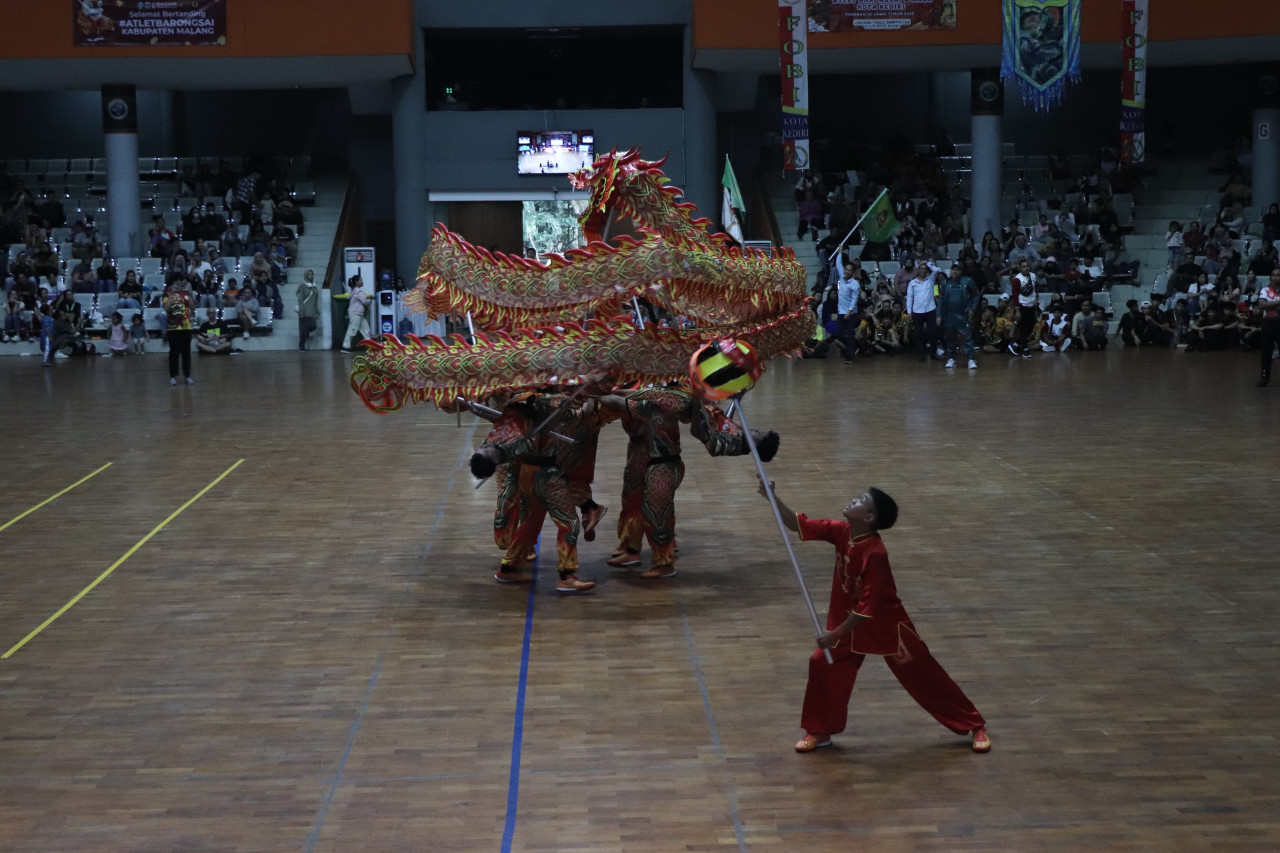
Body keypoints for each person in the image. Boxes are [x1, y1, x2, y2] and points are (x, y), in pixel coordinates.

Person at [756, 478, 990, 755]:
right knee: (822, 665)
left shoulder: (875, 553)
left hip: (886, 627)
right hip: (848, 626)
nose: (853, 500)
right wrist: (772, 497)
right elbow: (797, 524)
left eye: (860, 501)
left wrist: (833, 635)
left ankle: (975, 724)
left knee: (924, 675)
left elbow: (866, 610)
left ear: (868, 517)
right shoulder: (841, 531)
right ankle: (820, 730)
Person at [938, 264, 979, 369]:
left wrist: (972, 309)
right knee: (950, 337)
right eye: (953, 269)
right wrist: (938, 314)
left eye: (957, 270)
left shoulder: (968, 281)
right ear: (950, 271)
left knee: (967, 337)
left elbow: (976, 295)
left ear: (961, 271)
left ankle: (971, 359)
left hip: (963, 314)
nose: (955, 272)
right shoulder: (945, 283)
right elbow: (941, 300)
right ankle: (951, 358)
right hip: (949, 315)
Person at [904, 263, 939, 363]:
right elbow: (909, 297)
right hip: (917, 311)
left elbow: (936, 270)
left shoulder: (931, 279)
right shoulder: (912, 283)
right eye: (921, 268)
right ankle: (921, 354)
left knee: (933, 332)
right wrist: (909, 311)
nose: (923, 270)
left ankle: (933, 353)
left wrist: (927, 263)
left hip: (930, 309)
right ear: (918, 270)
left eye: (925, 269)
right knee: (918, 334)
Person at [163, 280, 195, 385]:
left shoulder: (186, 294)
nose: (177, 285)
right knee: (174, 353)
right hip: (173, 328)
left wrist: (190, 294)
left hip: (186, 327)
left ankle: (188, 376)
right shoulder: (166, 294)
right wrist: (172, 295)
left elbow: (192, 308)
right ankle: (173, 376)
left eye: (179, 283)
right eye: (175, 283)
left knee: (186, 353)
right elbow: (167, 308)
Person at [1255, 268, 1280, 387]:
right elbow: (1261, 305)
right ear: (1271, 277)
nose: (1276, 277)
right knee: (1266, 352)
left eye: (1278, 275)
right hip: (1268, 324)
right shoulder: (1265, 290)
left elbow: (1266, 305)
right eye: (1274, 275)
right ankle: (1265, 377)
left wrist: (1269, 306)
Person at [341, 276, 371, 352]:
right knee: (353, 329)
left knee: (365, 328)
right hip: (355, 313)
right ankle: (345, 346)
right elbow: (364, 301)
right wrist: (369, 301)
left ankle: (369, 345)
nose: (362, 282)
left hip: (358, 313)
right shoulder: (358, 292)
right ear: (357, 282)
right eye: (361, 280)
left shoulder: (354, 291)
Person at [295, 269, 321, 351]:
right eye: (309, 274)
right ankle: (301, 346)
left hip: (312, 311)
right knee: (304, 329)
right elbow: (300, 299)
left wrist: (317, 310)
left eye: (312, 274)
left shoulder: (314, 286)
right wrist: (301, 311)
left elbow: (316, 300)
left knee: (313, 326)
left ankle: (305, 335)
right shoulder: (303, 286)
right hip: (305, 311)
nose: (311, 276)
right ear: (306, 275)